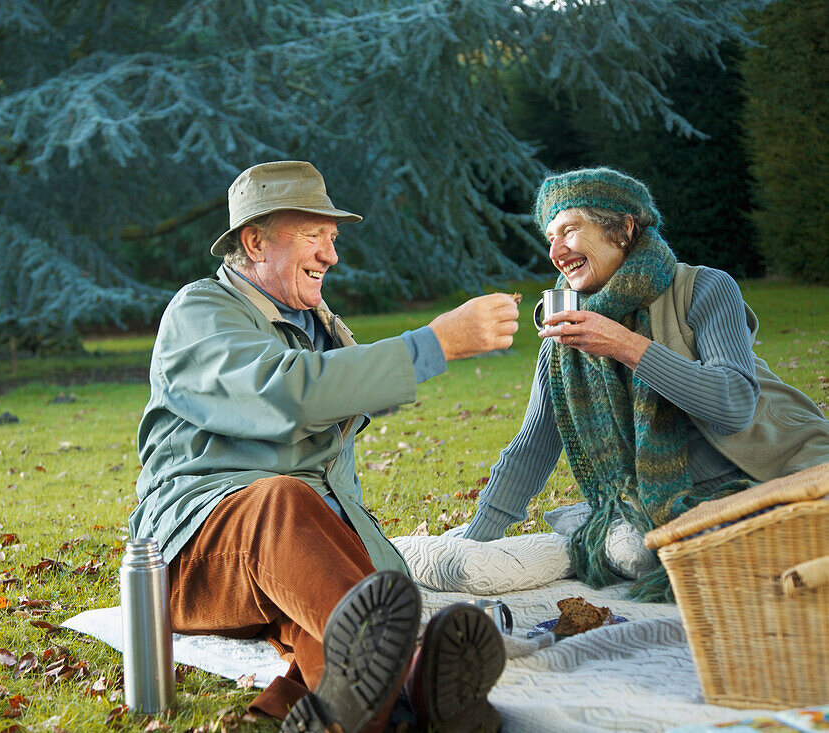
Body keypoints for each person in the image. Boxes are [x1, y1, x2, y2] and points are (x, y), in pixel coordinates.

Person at [130, 160, 519, 732]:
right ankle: (417, 675)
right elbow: (291, 394)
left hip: (298, 556)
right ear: (254, 241)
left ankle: (363, 710)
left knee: (340, 628)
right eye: (313, 236)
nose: (331, 255)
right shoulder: (199, 312)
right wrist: (434, 344)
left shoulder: (321, 324)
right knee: (284, 507)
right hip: (192, 556)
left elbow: (346, 387)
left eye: (332, 239)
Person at [462, 167, 829, 600]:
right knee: (623, 546)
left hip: (782, 476)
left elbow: (734, 405)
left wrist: (626, 346)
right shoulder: (567, 338)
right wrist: (470, 544)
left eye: (569, 230)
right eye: (550, 238)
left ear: (623, 228)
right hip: (682, 502)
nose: (556, 251)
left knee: (631, 549)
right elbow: (530, 450)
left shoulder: (704, 288)